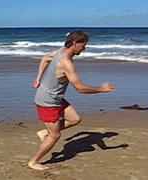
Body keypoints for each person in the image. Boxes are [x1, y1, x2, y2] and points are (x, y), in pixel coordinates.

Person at [28, 30, 114, 170]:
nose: (84, 48)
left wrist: (38, 79)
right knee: (55, 136)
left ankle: (44, 133)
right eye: (83, 45)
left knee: (74, 119)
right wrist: (101, 89)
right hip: (47, 101)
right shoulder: (66, 62)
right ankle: (33, 161)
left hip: (56, 98)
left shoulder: (60, 51)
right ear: (75, 43)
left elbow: (45, 58)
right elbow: (80, 88)